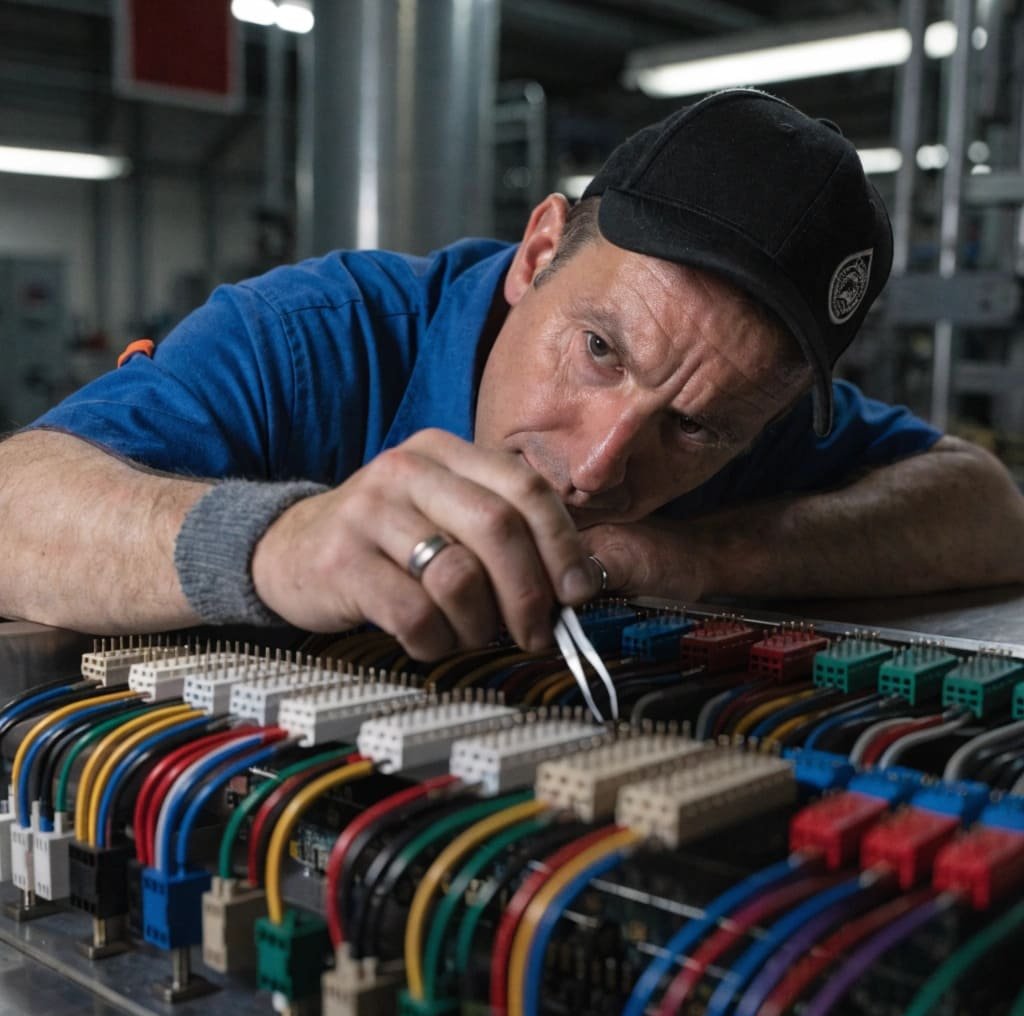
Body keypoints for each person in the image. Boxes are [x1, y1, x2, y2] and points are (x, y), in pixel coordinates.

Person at [1, 89, 1022, 661]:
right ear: (538, 252)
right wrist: (276, 543)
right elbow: (14, 507)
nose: (599, 464)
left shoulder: (746, 405)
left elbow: (986, 507)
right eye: (600, 350)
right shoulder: (318, 336)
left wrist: (703, 557)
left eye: (697, 431)